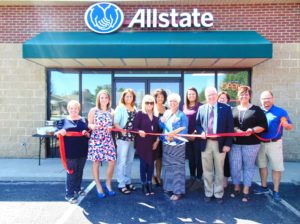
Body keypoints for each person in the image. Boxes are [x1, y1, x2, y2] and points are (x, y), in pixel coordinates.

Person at [196, 87, 234, 204]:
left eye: (213, 94)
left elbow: (230, 128)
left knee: (219, 170)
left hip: (220, 144)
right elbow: (197, 124)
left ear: (216, 95)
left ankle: (218, 193)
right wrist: (201, 132)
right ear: (206, 97)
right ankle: (208, 192)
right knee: (207, 170)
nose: (211, 97)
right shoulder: (201, 108)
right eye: (208, 95)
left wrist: (228, 144)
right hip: (206, 143)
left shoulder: (226, 108)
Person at [230, 86, 268, 202]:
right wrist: (236, 130)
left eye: (246, 94)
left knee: (248, 167)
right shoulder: (233, 110)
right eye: (242, 94)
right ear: (238, 96)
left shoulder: (257, 110)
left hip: (252, 144)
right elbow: (230, 125)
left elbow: (263, 126)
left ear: (250, 96)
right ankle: (236, 187)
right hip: (236, 143)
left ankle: (246, 189)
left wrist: (251, 130)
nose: (244, 96)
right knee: (235, 167)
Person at [255, 90, 293, 201]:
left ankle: (276, 191)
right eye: (263, 98)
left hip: (275, 143)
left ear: (273, 98)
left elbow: (290, 126)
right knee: (262, 166)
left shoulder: (281, 111)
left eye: (268, 98)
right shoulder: (257, 111)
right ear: (260, 100)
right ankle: (264, 187)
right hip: (260, 143)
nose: (266, 100)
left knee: (276, 168)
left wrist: (286, 125)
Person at [55, 100, 89, 204]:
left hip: (82, 150)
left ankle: (77, 189)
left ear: (79, 109)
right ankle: (69, 194)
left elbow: (88, 133)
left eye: (76, 108)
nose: (73, 110)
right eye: (71, 108)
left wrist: (86, 133)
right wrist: (60, 132)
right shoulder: (63, 121)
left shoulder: (84, 120)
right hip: (69, 151)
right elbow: (56, 133)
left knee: (79, 171)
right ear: (68, 109)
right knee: (71, 172)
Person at [87, 90, 116, 198]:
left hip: (107, 139)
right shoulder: (93, 110)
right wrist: (92, 126)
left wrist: (111, 128)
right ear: (99, 99)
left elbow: (113, 125)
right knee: (96, 162)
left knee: (112, 161)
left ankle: (108, 183)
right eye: (101, 97)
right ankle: (98, 185)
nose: (103, 99)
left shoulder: (112, 112)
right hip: (96, 139)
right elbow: (89, 124)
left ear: (109, 99)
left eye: (105, 97)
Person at [160, 93, 188, 201]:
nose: (172, 103)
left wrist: (172, 138)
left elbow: (184, 131)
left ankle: (178, 191)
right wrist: (161, 121)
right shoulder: (167, 113)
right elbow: (162, 126)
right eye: (171, 101)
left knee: (178, 169)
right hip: (167, 144)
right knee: (167, 167)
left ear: (178, 103)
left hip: (178, 146)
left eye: (174, 101)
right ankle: (168, 187)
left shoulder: (182, 116)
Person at [134, 95, 160, 196]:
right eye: (147, 102)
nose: (149, 104)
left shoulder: (156, 117)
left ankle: (150, 183)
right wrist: (139, 131)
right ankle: (143, 184)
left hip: (153, 144)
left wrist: (157, 142)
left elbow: (158, 131)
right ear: (144, 104)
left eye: (151, 103)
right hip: (142, 144)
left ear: (154, 104)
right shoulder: (140, 114)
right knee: (143, 164)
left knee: (151, 165)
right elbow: (134, 127)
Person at [114, 88, 137, 194]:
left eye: (130, 96)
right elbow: (115, 123)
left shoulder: (134, 108)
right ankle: (121, 184)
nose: (129, 98)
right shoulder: (120, 108)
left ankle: (128, 181)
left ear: (133, 98)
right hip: (123, 138)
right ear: (123, 97)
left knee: (130, 161)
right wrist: (121, 130)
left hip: (132, 138)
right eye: (127, 96)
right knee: (122, 161)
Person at [182, 87, 202, 189]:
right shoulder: (184, 107)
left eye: (193, 94)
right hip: (186, 137)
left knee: (198, 158)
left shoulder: (201, 106)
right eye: (189, 94)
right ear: (187, 96)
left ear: (196, 95)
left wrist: (194, 133)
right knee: (190, 158)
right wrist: (186, 134)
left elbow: (202, 122)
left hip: (197, 136)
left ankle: (199, 178)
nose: (191, 96)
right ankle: (192, 177)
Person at [152, 88, 168, 186]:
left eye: (162, 96)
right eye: (158, 97)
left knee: (159, 158)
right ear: (155, 98)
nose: (160, 98)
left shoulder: (166, 109)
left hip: (163, 137)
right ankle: (151, 176)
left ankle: (158, 176)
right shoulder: (151, 107)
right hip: (153, 137)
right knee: (151, 157)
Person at [217, 91, 231, 188]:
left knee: (226, 162)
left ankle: (225, 180)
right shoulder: (216, 109)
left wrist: (228, 143)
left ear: (228, 100)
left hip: (227, 141)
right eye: (220, 98)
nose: (222, 99)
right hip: (217, 141)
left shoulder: (230, 109)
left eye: (224, 98)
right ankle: (218, 181)